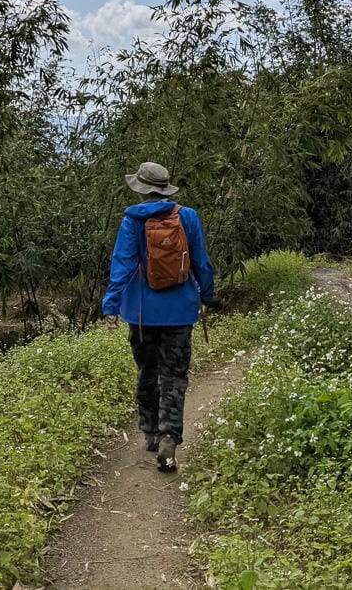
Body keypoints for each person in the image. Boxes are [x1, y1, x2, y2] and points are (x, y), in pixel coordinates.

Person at [102, 161, 214, 472]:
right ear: (165, 188)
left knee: (147, 371)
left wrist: (110, 306)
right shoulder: (187, 216)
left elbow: (122, 264)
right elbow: (201, 261)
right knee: (174, 376)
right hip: (179, 311)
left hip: (140, 314)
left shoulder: (132, 221)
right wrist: (207, 294)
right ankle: (169, 437)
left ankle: (150, 432)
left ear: (140, 189)